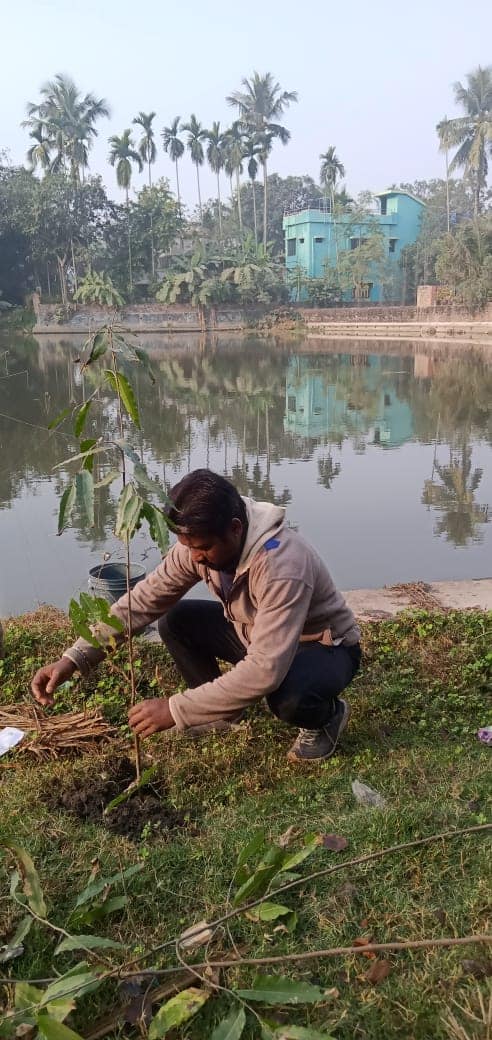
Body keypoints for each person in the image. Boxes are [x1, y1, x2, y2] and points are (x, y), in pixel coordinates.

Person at [31, 469, 361, 763]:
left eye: (202, 548)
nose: (194, 557)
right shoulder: (201, 541)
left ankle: (326, 718)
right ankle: (217, 716)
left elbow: (265, 670)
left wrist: (175, 709)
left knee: (289, 697)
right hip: (257, 635)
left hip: (322, 646)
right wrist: (75, 658)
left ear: (235, 529)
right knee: (176, 620)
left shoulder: (282, 565)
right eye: (188, 547)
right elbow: (143, 601)